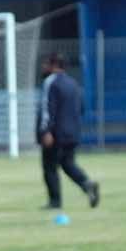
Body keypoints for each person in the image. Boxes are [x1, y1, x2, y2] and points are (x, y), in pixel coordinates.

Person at [36, 53, 99, 210]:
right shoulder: (73, 83)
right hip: (73, 132)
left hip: (55, 134)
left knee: (49, 166)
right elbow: (82, 108)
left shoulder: (50, 82)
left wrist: (45, 131)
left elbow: (47, 109)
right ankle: (87, 184)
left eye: (46, 63)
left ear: (54, 65)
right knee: (67, 163)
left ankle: (55, 202)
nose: (43, 67)